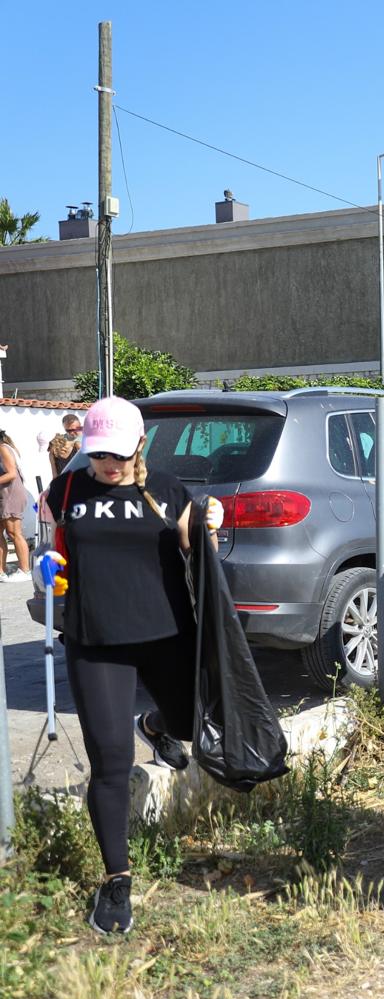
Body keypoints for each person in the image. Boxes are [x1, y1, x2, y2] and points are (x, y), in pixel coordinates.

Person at [39, 396, 223, 935]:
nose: (109, 465)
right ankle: (117, 881)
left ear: (140, 445)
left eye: (118, 454)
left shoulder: (166, 490)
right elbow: (55, 546)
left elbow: (193, 545)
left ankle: (158, 725)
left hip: (166, 633)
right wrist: (49, 566)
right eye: (99, 455)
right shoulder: (67, 489)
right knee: (111, 764)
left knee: (191, 725)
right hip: (95, 640)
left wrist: (208, 521)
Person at [0, 429, 32, 581]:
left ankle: (25, 571)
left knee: (14, 533)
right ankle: (1, 571)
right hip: (3, 494)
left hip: (11, 493)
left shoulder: (3, 448)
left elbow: (11, 473)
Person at [49, 413, 83, 477]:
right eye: (68, 430)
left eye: (74, 429)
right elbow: (54, 470)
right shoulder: (58, 441)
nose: (72, 433)